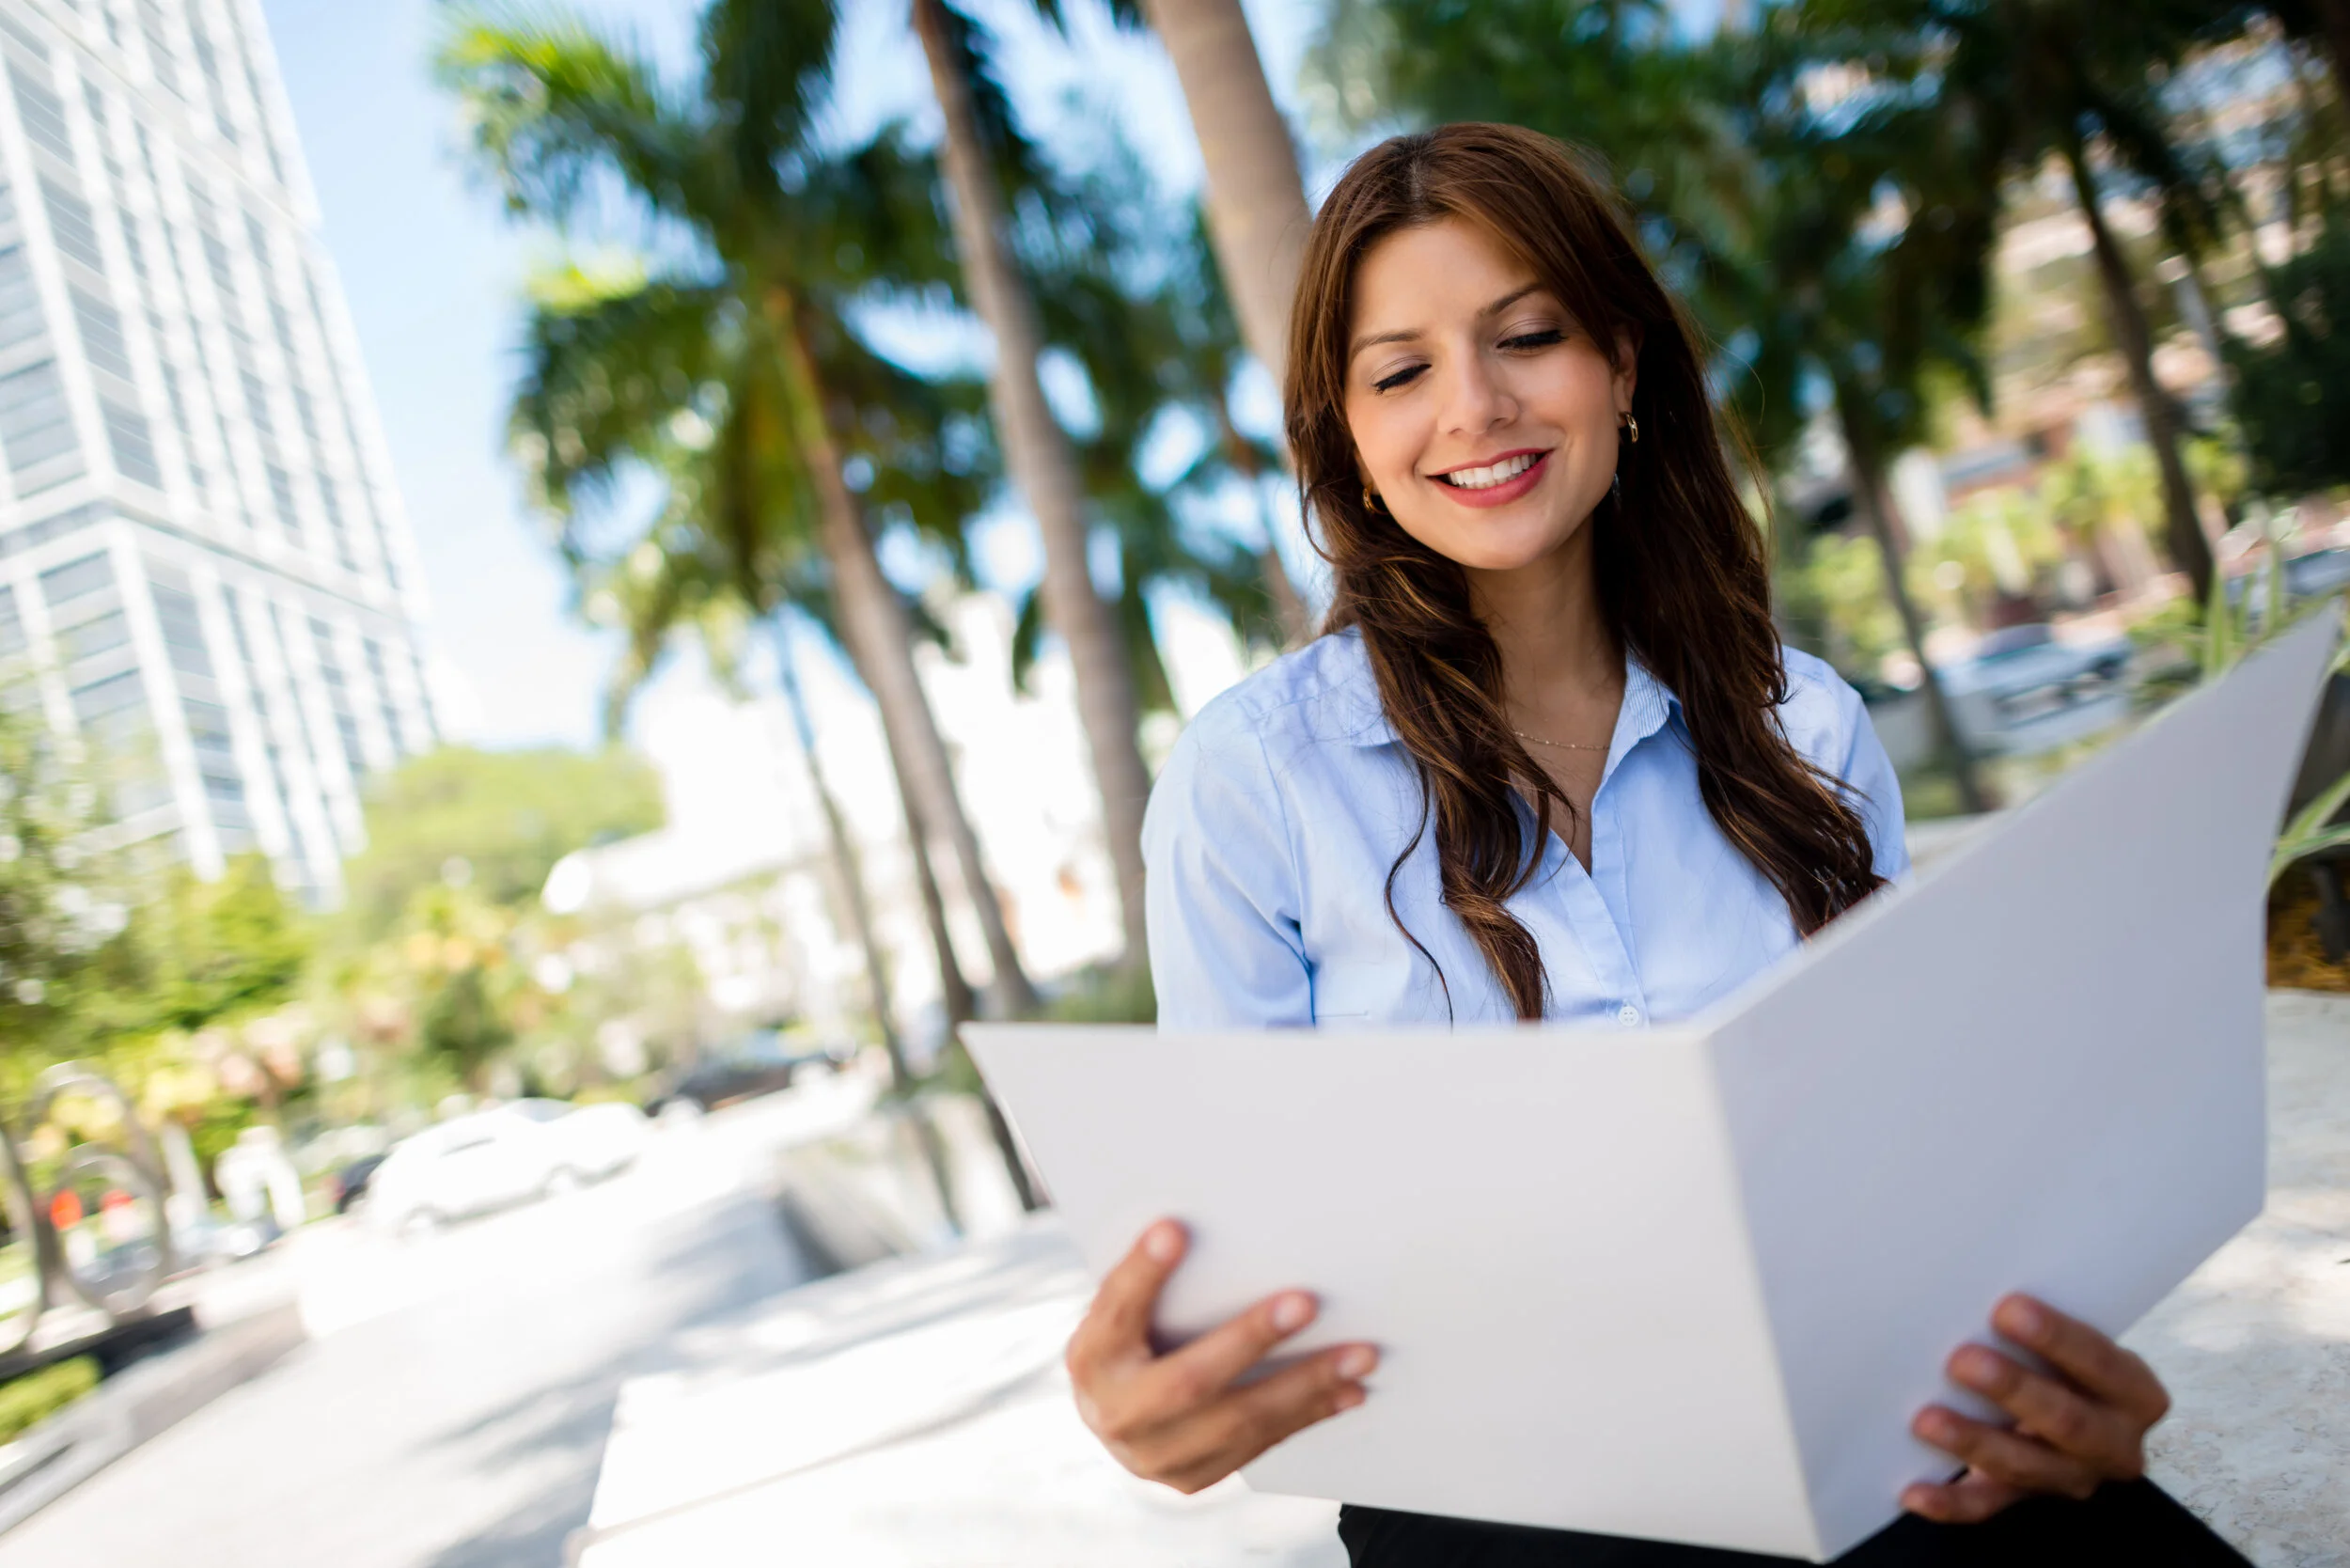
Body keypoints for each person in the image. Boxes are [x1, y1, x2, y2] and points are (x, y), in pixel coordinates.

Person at [1062, 124, 2248, 1566]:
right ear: (1351, 443)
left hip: (1875, 1432)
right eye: (1401, 371)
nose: (1476, 406)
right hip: (1511, 1510)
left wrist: (2060, 1391)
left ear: (1621, 367)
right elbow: (1232, 1264)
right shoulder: (1255, 781)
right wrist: (1169, 1394)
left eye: (1528, 336)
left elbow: (1929, 1164)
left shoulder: (1802, 720)